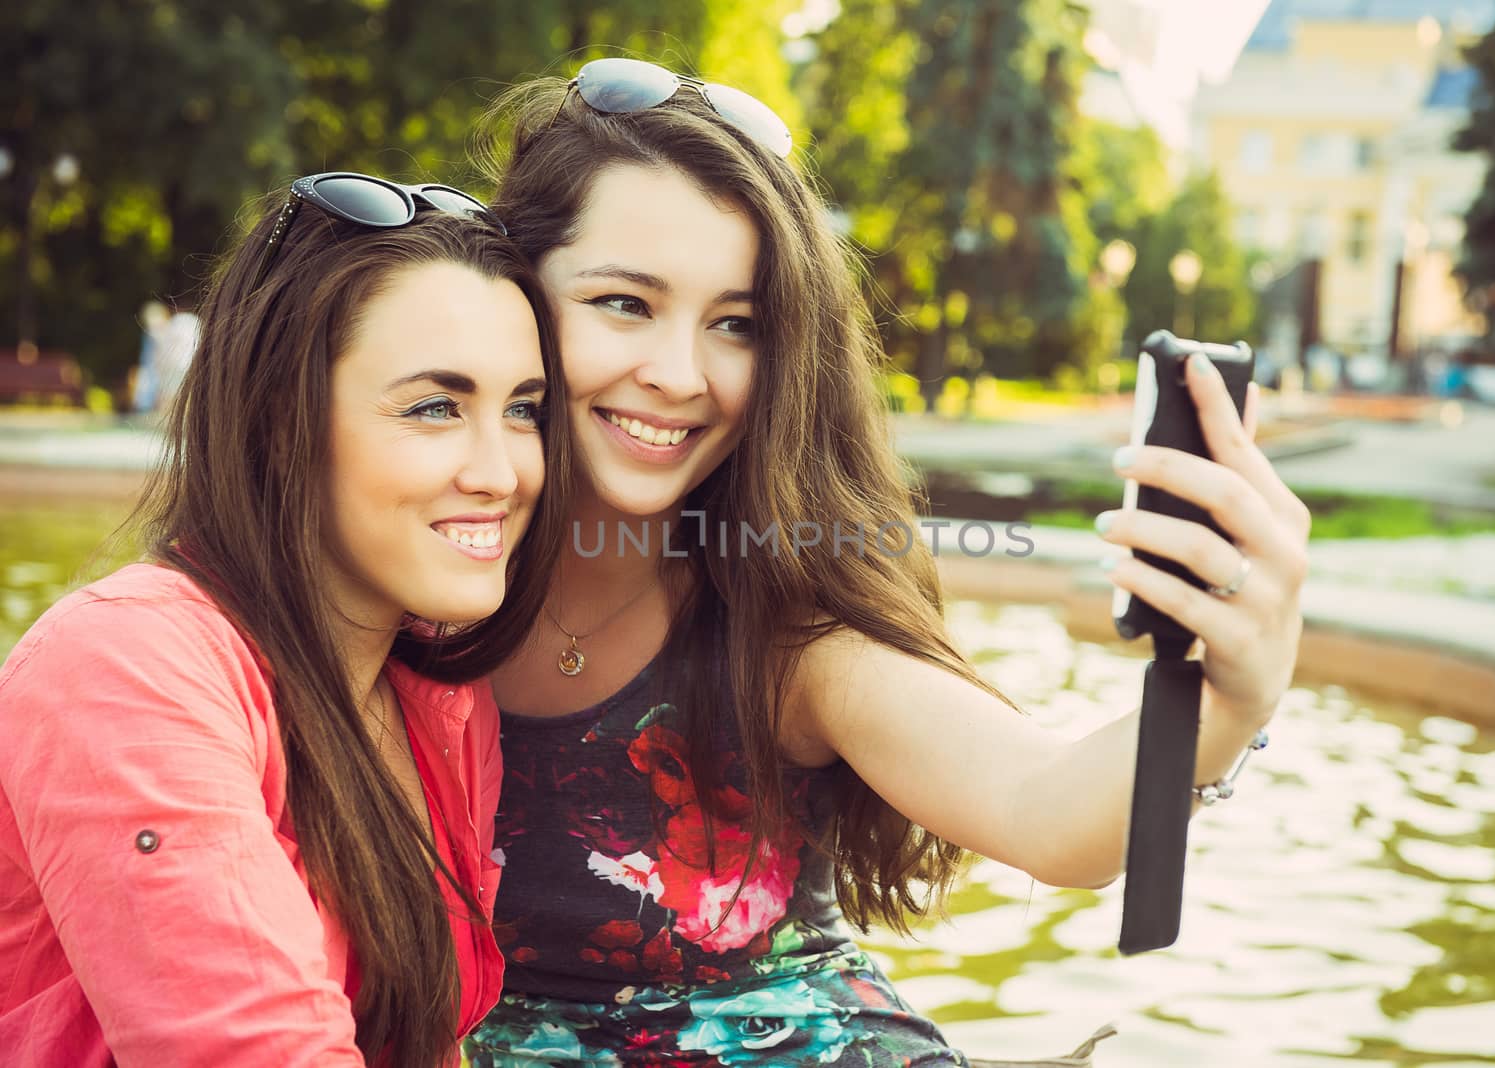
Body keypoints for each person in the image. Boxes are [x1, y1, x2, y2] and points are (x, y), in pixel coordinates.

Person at [466, 58, 1309, 1066]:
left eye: (736, 324)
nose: (681, 375)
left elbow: (1045, 810)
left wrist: (1226, 700)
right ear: (511, 296)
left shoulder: (786, 631)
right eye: (623, 303)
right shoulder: (397, 586)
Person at [0, 172, 570, 1068]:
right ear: (278, 421)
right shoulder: (123, 664)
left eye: (525, 410)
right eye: (434, 407)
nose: (502, 473)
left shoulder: (438, 699)